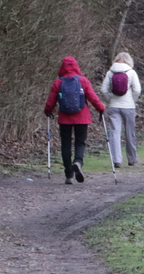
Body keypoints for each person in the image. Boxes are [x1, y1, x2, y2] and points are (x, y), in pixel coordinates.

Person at [43, 56, 106, 185]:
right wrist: (101, 108)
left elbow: (51, 101)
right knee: (80, 143)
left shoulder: (58, 83)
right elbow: (92, 97)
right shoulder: (83, 81)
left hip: (64, 118)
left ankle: (69, 175)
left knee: (65, 144)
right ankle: (78, 162)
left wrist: (47, 111)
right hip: (82, 117)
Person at [99, 51, 142, 167]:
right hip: (129, 107)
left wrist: (110, 98)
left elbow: (103, 89)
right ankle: (132, 158)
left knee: (114, 133)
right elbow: (137, 90)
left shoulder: (110, 72)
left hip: (114, 106)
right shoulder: (131, 72)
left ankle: (116, 160)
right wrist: (132, 100)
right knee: (130, 133)